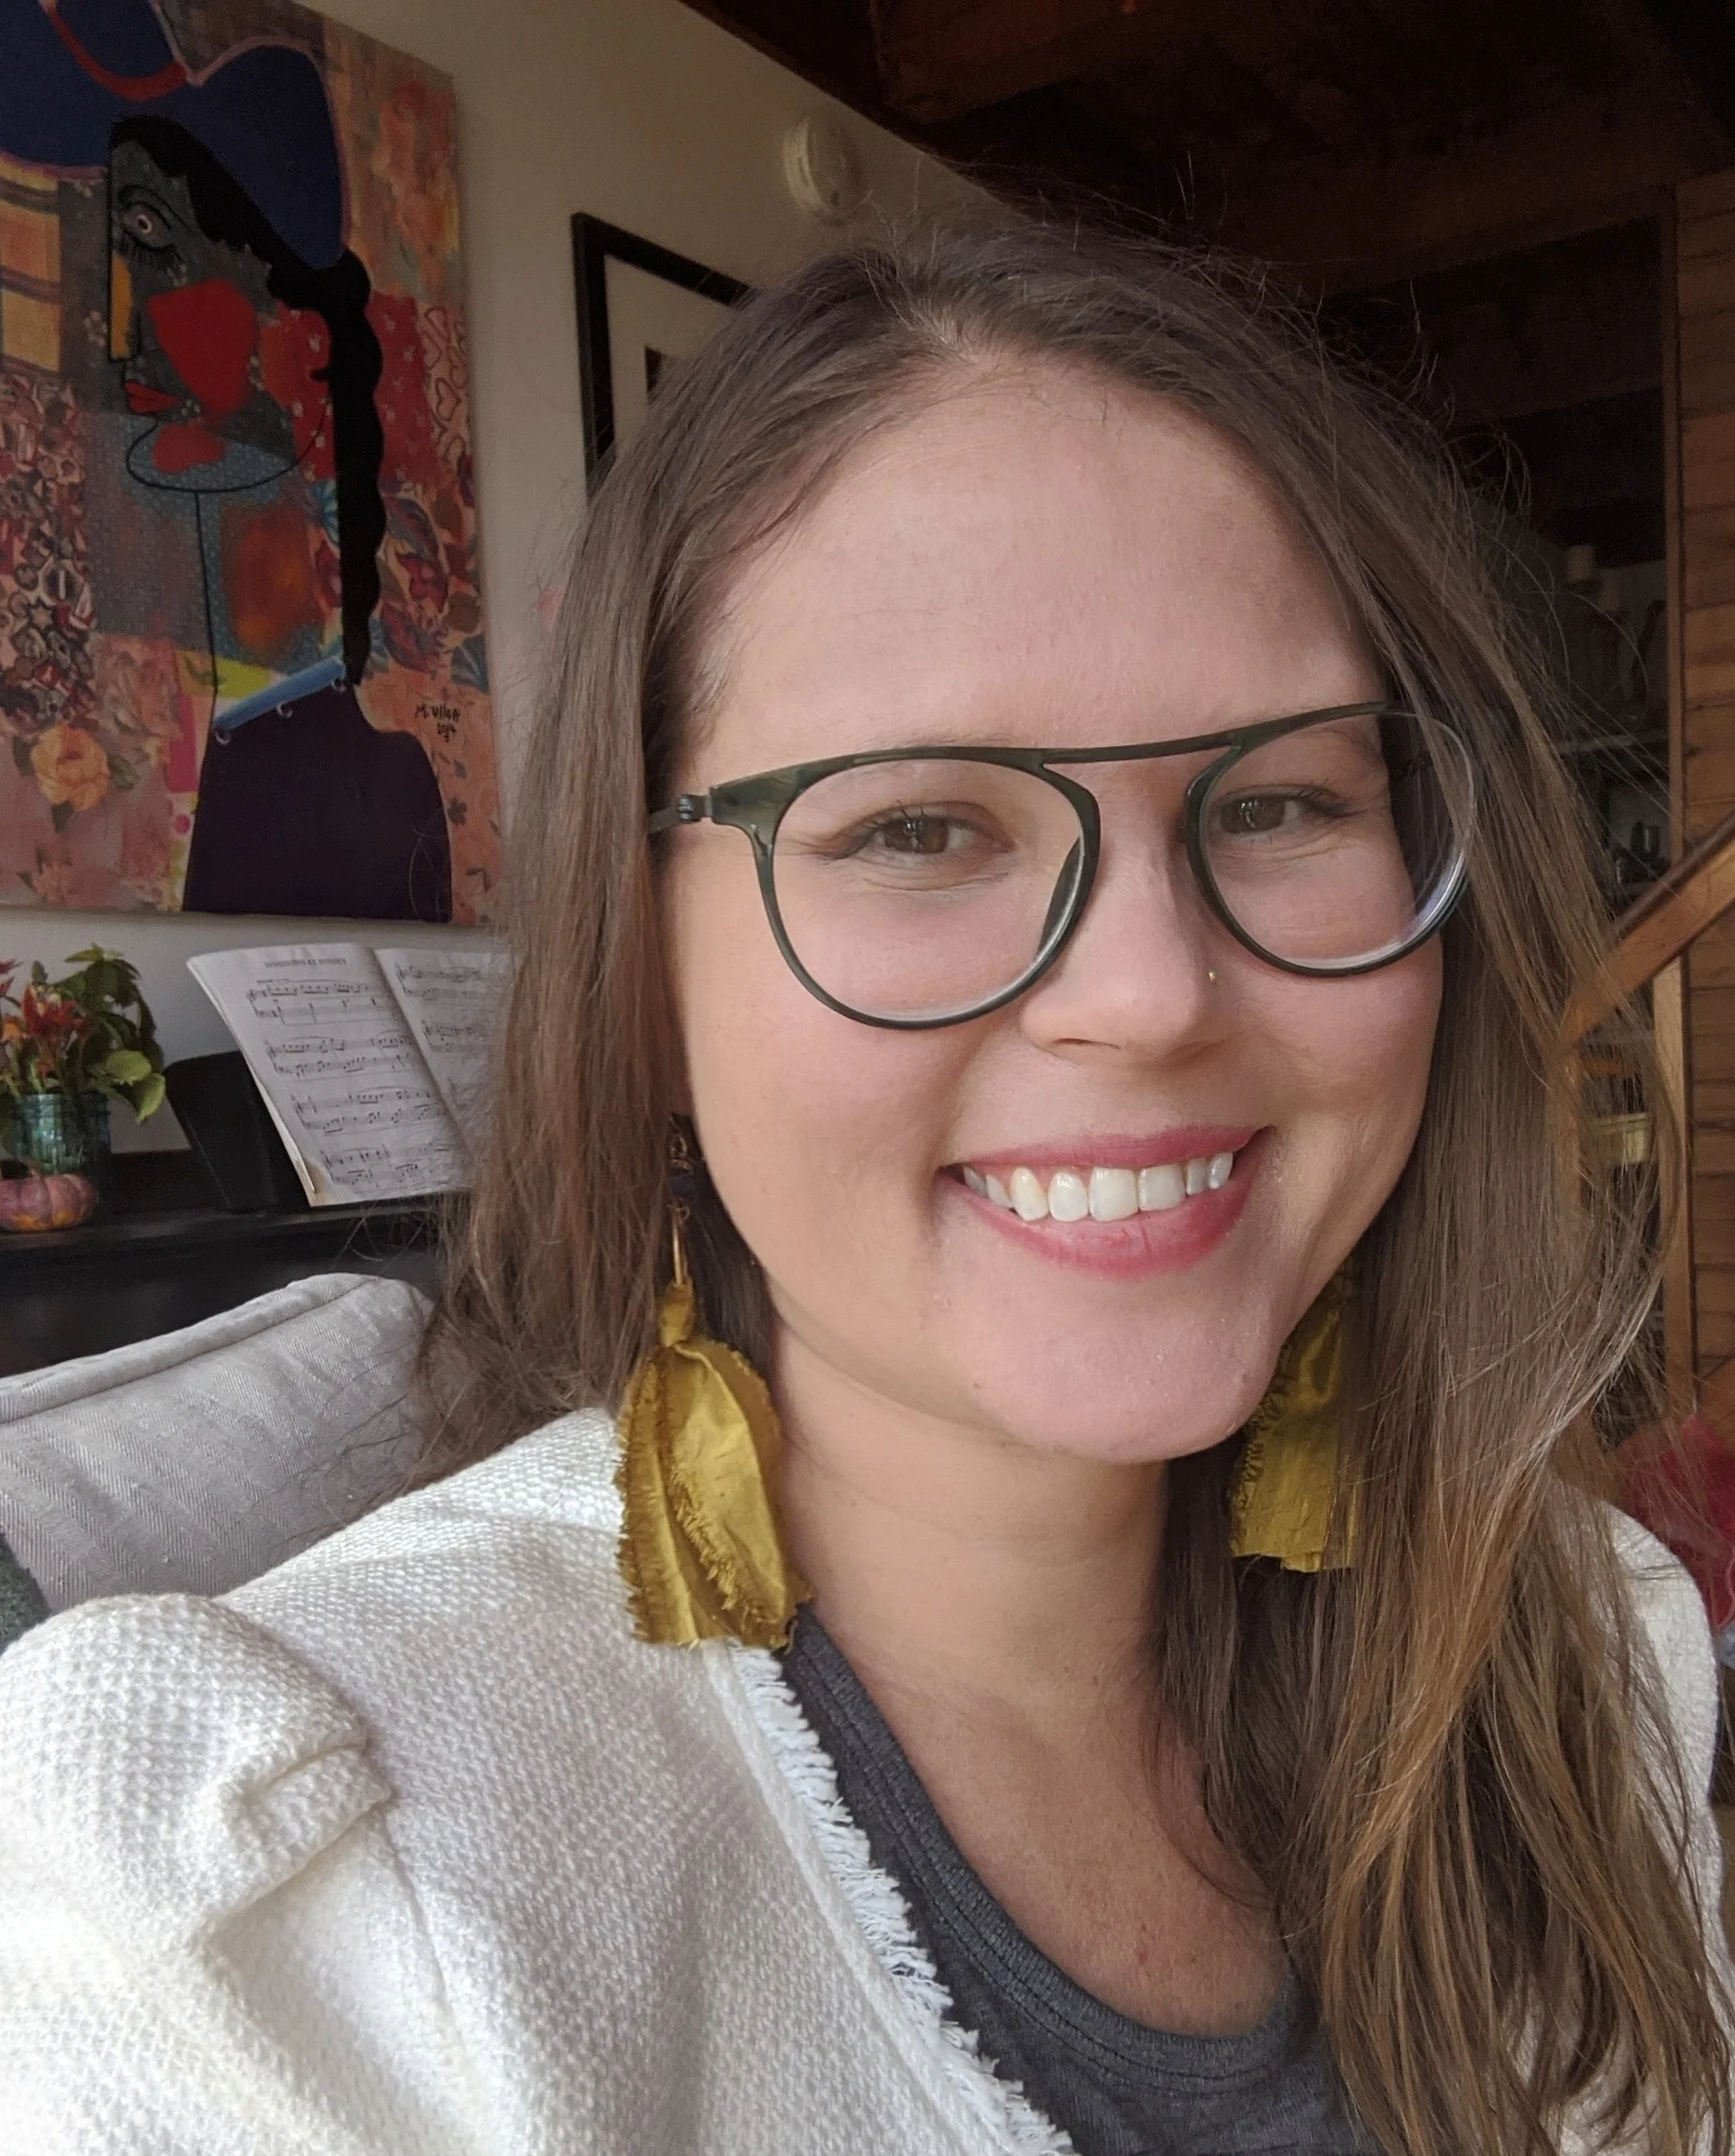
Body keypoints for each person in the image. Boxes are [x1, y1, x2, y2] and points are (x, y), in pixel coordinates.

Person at [1, 223, 1729, 2156]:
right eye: (916, 827)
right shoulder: (264, 1921)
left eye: (1275, 802)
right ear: (641, 976)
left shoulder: (1590, 1652)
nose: (1152, 993)